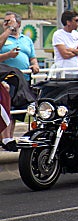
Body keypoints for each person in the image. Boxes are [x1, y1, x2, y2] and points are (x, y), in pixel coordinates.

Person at [0, 12, 39, 152]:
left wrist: (35, 64)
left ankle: (8, 137)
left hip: (23, 79)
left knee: (16, 111)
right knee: (6, 108)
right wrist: (8, 55)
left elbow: (32, 57)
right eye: (4, 21)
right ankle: (5, 138)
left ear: (18, 23)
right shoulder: (3, 37)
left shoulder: (26, 40)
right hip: (6, 78)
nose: (6, 24)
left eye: (9, 21)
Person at [52, 10, 78, 78]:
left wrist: (71, 50)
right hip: (63, 72)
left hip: (76, 71)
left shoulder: (76, 34)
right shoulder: (58, 34)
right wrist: (77, 51)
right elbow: (65, 54)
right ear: (68, 22)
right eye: (76, 20)